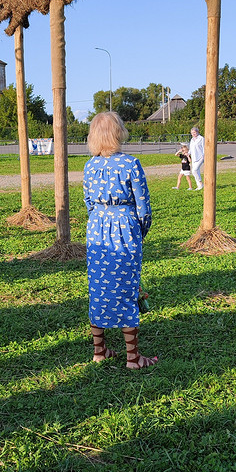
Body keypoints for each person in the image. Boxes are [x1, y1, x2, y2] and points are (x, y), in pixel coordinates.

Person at [83, 112, 158, 370]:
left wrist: (99, 221)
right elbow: (143, 206)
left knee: (99, 287)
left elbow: (88, 202)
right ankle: (133, 358)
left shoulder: (90, 165)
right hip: (125, 227)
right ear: (118, 133)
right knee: (127, 287)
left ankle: (99, 351)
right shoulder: (130, 164)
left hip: (97, 229)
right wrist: (140, 231)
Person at [189, 126, 205, 190]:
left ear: (197, 132)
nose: (193, 134)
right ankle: (199, 186)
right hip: (194, 157)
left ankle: (200, 182)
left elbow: (204, 147)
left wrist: (204, 156)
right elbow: (191, 148)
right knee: (196, 171)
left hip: (200, 156)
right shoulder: (192, 140)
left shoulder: (201, 138)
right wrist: (188, 153)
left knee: (194, 170)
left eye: (194, 133)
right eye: (192, 133)